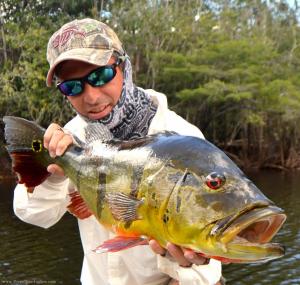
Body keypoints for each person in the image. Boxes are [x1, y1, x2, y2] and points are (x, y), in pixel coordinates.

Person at [13, 18, 223, 285]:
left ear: (124, 66)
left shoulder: (183, 138)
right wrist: (53, 176)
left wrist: (182, 264)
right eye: (72, 86)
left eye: (101, 76)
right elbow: (31, 212)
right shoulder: (70, 138)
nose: (91, 97)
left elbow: (206, 272)